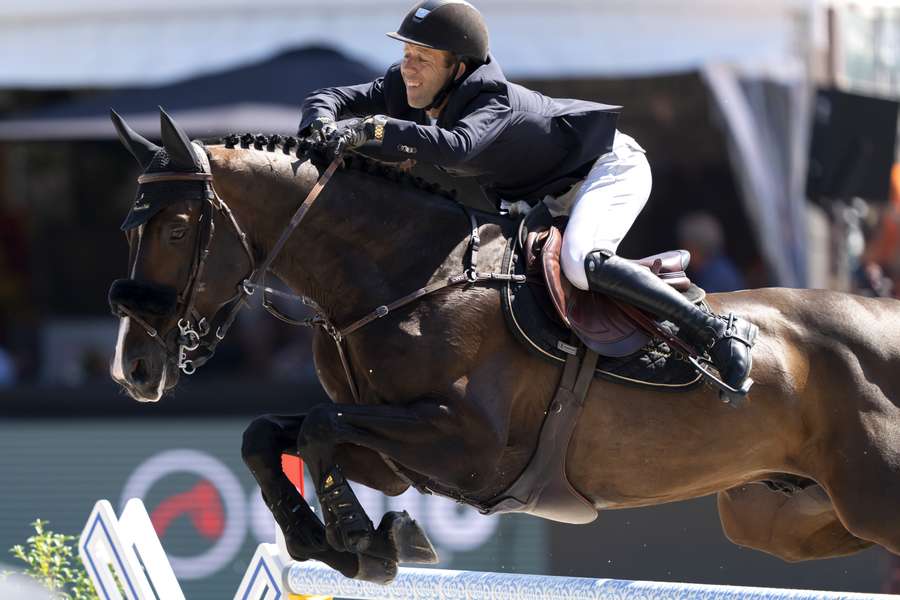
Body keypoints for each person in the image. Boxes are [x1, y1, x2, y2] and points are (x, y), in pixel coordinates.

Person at [298, 0, 755, 395]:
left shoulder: (490, 100)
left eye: (422, 57)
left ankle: (715, 331)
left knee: (581, 261)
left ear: (458, 67)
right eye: (406, 53)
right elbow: (330, 96)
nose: (408, 68)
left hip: (608, 169)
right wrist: (317, 126)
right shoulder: (410, 84)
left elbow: (454, 148)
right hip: (541, 196)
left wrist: (369, 130)